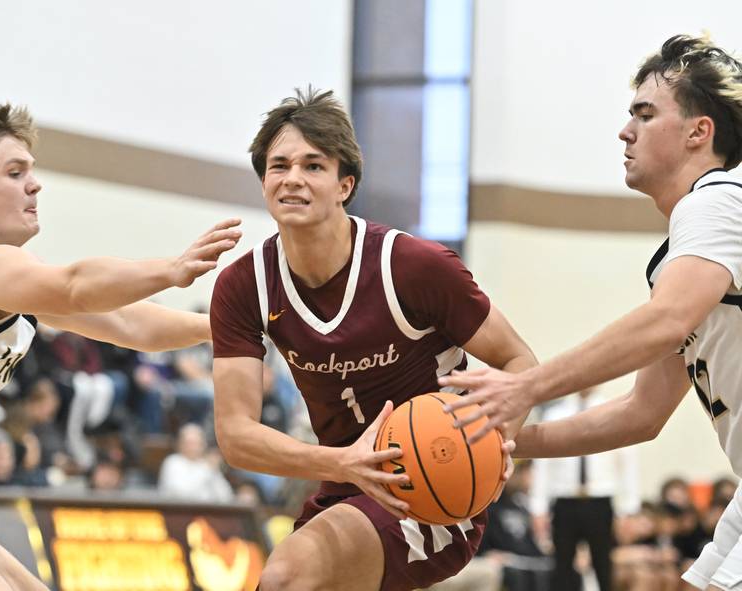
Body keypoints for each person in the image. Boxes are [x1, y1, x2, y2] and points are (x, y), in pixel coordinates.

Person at [439, 34, 742, 591]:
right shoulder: (688, 253)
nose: (625, 131)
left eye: (645, 115)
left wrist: (526, 386)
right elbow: (640, 413)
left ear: (699, 132)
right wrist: (501, 440)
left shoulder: (718, 199)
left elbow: (666, 321)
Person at [210, 88, 536, 591]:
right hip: (343, 482)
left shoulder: (413, 266)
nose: (293, 177)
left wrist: (496, 443)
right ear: (264, 181)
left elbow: (519, 360)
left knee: (287, 577)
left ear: (346, 184)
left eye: (313, 165)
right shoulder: (243, 285)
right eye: (279, 166)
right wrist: (341, 463)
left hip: (429, 479)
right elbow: (236, 436)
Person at [0, 103, 241, 590]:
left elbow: (127, 323)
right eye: (15, 173)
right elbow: (77, 285)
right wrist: (171, 269)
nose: (35, 185)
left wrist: (227, 328)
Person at [529, 388, 640, 591]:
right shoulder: (555, 415)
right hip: (564, 501)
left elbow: (627, 463)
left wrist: (628, 509)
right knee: (561, 567)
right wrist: (538, 508)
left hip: (600, 500)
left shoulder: (612, 412)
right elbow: (542, 465)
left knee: (603, 565)